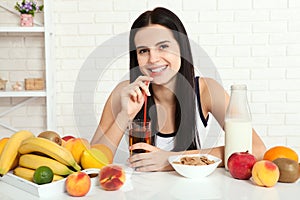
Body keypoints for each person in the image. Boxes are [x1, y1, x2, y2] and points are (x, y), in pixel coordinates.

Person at [91, 7, 266, 171]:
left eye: (163, 46)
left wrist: (171, 160)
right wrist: (124, 116)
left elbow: (256, 150)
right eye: (143, 51)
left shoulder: (207, 90)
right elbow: (92, 162)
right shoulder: (125, 92)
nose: (153, 59)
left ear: (181, 48)